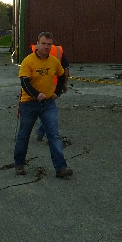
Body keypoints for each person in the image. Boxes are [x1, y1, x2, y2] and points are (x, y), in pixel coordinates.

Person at [14, 31, 73, 178]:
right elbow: (24, 82)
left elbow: (61, 75)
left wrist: (57, 92)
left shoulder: (54, 61)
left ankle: (61, 168)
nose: (46, 47)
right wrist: (36, 94)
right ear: (37, 44)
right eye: (43, 44)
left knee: (54, 135)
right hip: (29, 104)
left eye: (49, 44)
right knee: (24, 135)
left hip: (48, 104)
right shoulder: (28, 61)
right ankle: (19, 164)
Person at [29, 40, 70, 141]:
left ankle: (40, 133)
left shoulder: (33, 49)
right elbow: (66, 69)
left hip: (36, 88)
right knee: (47, 111)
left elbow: (26, 69)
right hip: (53, 87)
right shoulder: (58, 50)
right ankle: (43, 133)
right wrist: (64, 84)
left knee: (43, 110)